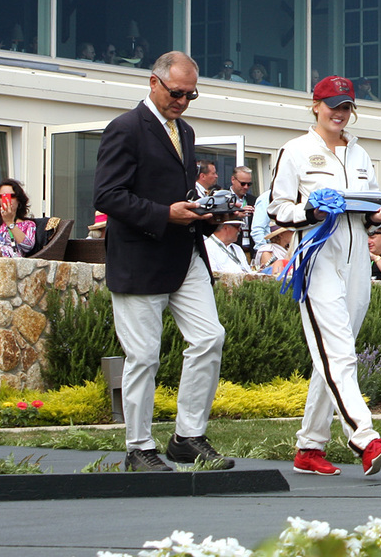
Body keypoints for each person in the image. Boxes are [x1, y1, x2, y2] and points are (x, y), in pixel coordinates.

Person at [92, 50, 232, 473]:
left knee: (210, 338)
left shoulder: (184, 131)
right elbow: (107, 195)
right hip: (139, 257)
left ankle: (188, 437)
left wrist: (207, 211)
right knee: (143, 357)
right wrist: (163, 213)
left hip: (184, 253)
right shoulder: (125, 128)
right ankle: (139, 446)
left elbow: (178, 192)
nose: (183, 101)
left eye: (191, 95)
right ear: (153, 83)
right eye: (177, 93)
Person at [264, 75, 381, 477]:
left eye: (345, 107)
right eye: (332, 106)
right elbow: (277, 208)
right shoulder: (295, 151)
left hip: (357, 255)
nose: (338, 113)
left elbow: (371, 202)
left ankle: (309, 446)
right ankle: (365, 437)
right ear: (315, 106)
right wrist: (311, 212)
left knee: (334, 353)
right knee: (339, 353)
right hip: (317, 254)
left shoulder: (360, 154)